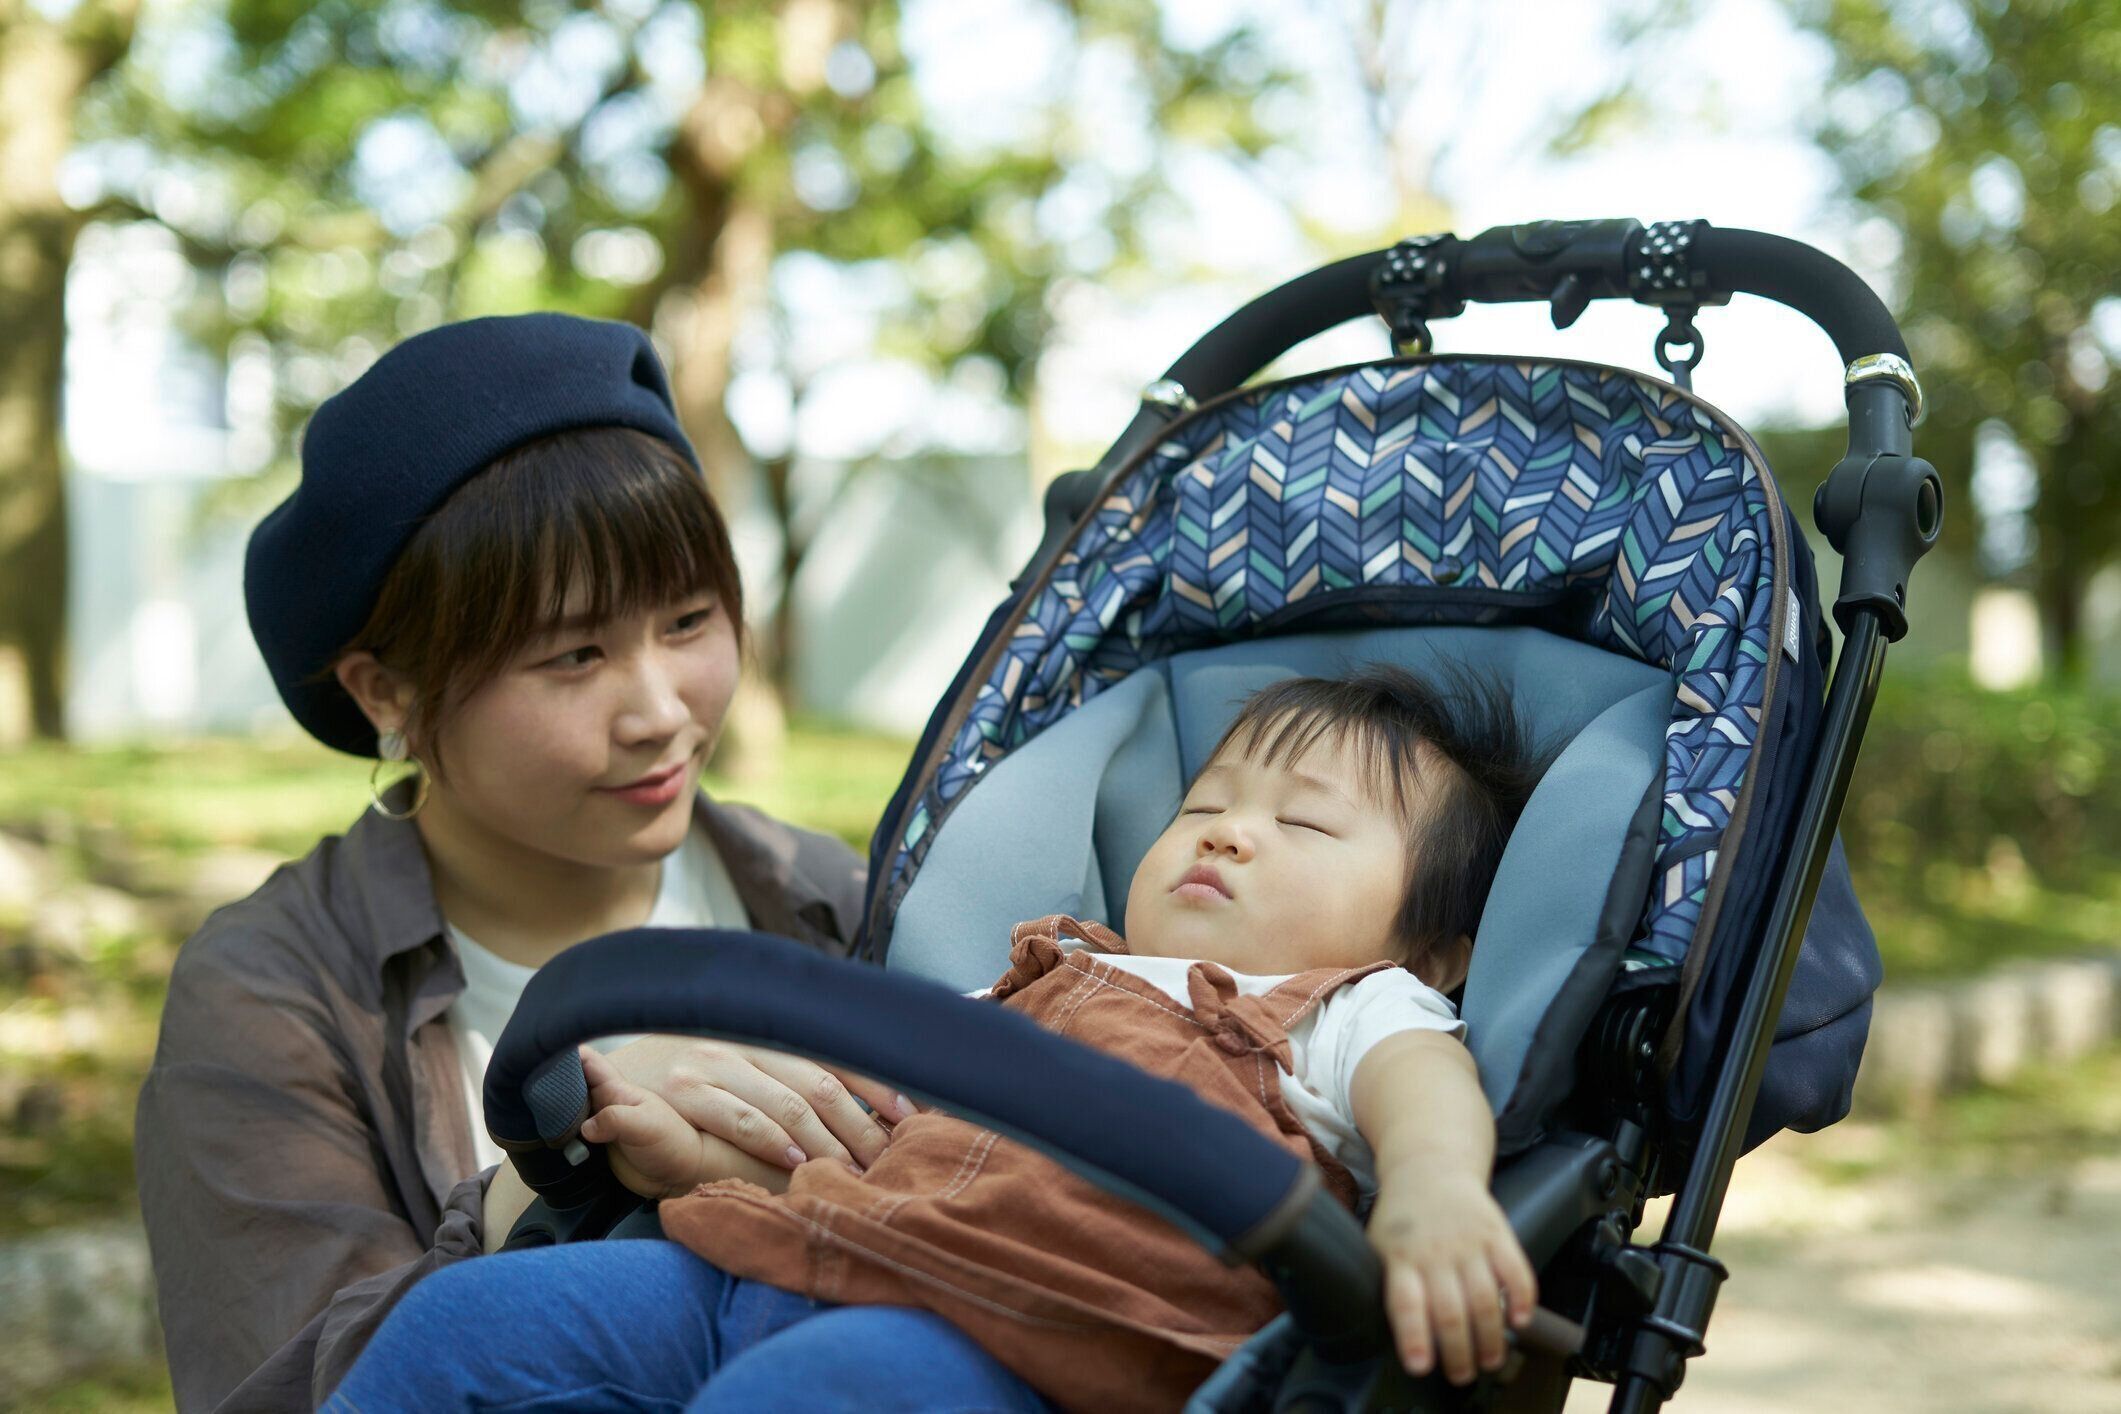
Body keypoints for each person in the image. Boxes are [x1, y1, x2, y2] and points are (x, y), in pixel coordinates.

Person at [323, 666, 1551, 1413]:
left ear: (1430, 946)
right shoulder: (1042, 978)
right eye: (1204, 807)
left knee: (819, 1396)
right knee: (460, 1327)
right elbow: (873, 1123)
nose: (1227, 835)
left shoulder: (1350, 1007)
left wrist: (1435, 1193)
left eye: (1304, 825)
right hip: (783, 1259)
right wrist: (706, 1149)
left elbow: (1424, 1086)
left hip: (1018, 1349)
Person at [134, 314, 906, 1413]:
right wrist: (559, 1165)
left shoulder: (825, 899)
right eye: (573, 654)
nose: (657, 712)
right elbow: (288, 1385)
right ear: (385, 692)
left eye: (689, 620)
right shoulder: (272, 995)